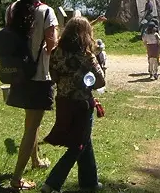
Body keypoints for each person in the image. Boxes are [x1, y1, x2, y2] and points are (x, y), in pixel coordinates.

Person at [4, 0, 58, 191]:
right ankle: (17, 179)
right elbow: (52, 45)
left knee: (31, 122)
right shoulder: (46, 12)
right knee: (32, 126)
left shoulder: (12, 8)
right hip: (39, 76)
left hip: (18, 74)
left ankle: (35, 160)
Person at [41, 17, 106, 193]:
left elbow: (53, 77)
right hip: (82, 105)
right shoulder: (86, 55)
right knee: (79, 144)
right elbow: (100, 81)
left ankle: (90, 182)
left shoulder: (56, 53)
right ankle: (52, 183)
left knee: (85, 140)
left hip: (63, 103)